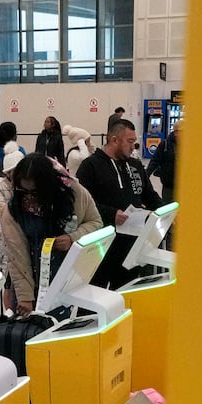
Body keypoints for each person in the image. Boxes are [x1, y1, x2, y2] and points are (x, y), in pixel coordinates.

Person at [0, 155, 104, 317]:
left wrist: (73, 238)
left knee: (57, 332)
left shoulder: (74, 193)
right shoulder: (14, 209)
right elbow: (17, 256)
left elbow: (95, 222)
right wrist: (25, 297)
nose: (29, 197)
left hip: (63, 283)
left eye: (35, 191)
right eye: (23, 191)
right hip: (28, 285)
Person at [75, 117, 162, 288]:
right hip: (102, 246)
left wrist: (165, 211)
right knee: (97, 294)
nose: (133, 146)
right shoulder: (90, 166)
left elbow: (150, 196)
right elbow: (82, 205)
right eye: (129, 141)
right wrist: (111, 213)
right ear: (114, 140)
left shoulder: (135, 166)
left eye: (134, 142)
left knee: (127, 293)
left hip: (132, 246)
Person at [146, 119, 180, 202]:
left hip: (184, 185)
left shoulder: (189, 145)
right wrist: (146, 176)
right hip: (169, 185)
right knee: (168, 208)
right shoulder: (165, 144)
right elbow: (155, 161)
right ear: (176, 133)